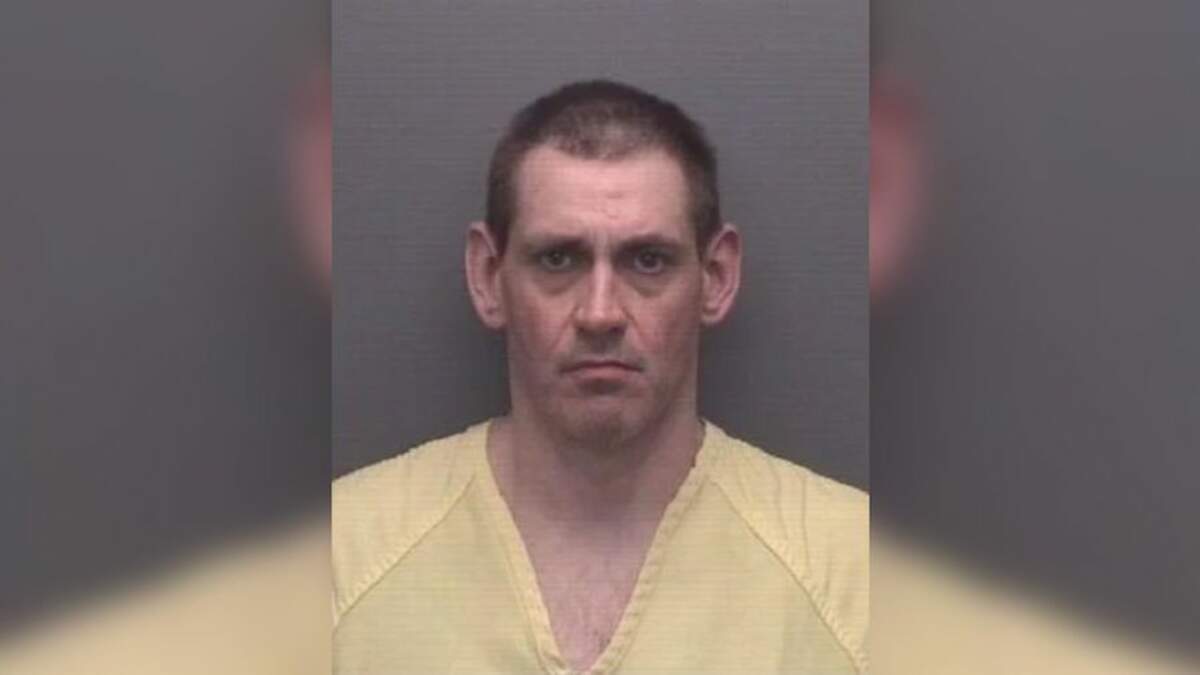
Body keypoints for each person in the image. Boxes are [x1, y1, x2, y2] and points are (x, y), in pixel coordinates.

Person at [332, 80, 868, 674]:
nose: (600, 313)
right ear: (487, 276)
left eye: (648, 261)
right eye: (558, 259)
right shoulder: (341, 564)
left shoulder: (854, 580)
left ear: (716, 277)